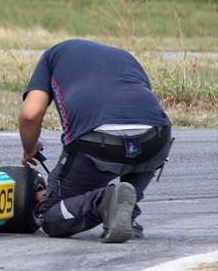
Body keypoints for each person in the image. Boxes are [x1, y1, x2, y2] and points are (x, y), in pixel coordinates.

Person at [19, 38, 172, 243]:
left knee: (49, 214)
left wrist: (30, 148)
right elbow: (139, 114)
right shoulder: (125, 57)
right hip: (156, 138)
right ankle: (128, 214)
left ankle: (105, 203)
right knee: (140, 147)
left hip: (99, 144)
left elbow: (30, 114)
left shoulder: (51, 56)